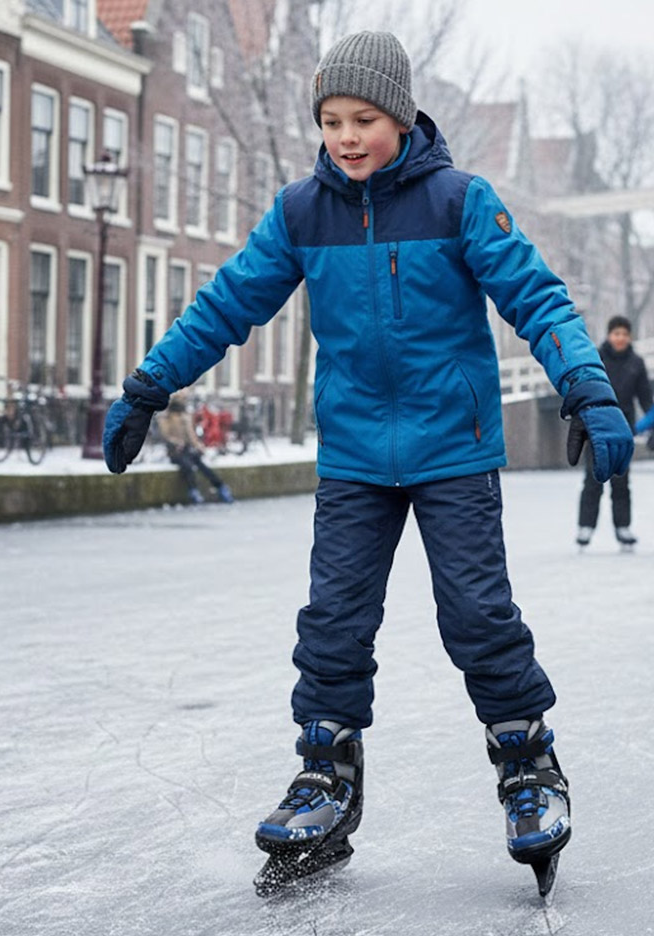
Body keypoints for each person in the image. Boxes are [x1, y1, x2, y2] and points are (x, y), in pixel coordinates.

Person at [102, 31, 634, 891]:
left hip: (453, 452)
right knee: (334, 621)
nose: (346, 137)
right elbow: (225, 304)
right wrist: (147, 387)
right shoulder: (301, 212)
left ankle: (528, 766)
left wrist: (587, 385)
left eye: (365, 118)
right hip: (354, 457)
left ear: (402, 115)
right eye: (331, 120)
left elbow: (536, 296)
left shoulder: (460, 200)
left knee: (476, 615)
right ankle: (325, 774)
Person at [575, 315, 653, 548]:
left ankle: (623, 527)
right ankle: (585, 527)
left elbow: (646, 400)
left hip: (624, 430)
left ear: (629, 337)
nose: (620, 338)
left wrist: (648, 426)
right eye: (616, 333)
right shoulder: (596, 358)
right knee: (593, 478)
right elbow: (584, 390)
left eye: (625, 334)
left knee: (621, 481)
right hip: (597, 428)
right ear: (610, 335)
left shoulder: (636, 363)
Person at [157, 391, 234, 504]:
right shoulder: (165, 418)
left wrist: (198, 446)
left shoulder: (185, 417)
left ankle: (221, 487)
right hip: (174, 451)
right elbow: (166, 435)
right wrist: (176, 442)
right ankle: (193, 491)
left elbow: (191, 435)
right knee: (187, 466)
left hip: (187, 449)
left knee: (202, 466)